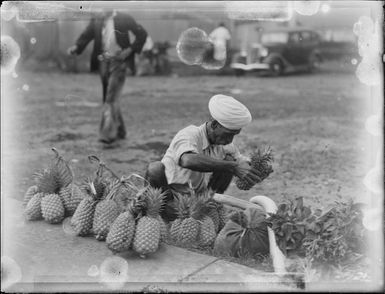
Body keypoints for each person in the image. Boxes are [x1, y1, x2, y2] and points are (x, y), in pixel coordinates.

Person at [145, 94, 261, 221]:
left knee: (229, 160)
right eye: (228, 134)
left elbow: (241, 162)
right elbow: (187, 160)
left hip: (197, 195)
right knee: (154, 169)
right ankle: (167, 211)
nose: (230, 140)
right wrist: (232, 167)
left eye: (234, 135)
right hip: (169, 193)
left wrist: (257, 167)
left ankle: (211, 204)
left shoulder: (226, 145)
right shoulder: (190, 134)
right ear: (215, 125)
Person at [67, 9, 147, 144]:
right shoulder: (97, 18)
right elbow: (86, 35)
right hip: (103, 62)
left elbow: (142, 34)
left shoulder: (124, 17)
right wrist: (76, 47)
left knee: (110, 96)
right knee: (110, 97)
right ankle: (120, 130)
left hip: (119, 61)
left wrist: (129, 50)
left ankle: (107, 134)